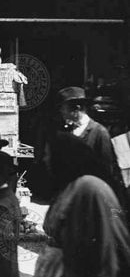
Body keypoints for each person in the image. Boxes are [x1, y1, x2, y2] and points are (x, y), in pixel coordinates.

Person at [31, 132, 130, 277]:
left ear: (63, 157)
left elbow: (106, 254)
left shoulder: (90, 188)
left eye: (47, 154)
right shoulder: (68, 189)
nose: (44, 160)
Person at [57, 86, 127, 214]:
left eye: (63, 107)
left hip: (93, 202)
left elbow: (108, 172)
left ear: (76, 108)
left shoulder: (99, 133)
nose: (61, 111)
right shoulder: (68, 132)